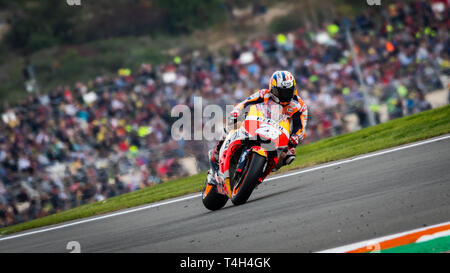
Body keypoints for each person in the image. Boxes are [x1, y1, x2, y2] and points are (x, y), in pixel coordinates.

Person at [209, 70, 308, 171]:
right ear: (273, 89)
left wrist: (295, 136)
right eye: (282, 92)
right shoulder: (264, 94)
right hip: (259, 123)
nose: (285, 96)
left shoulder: (299, 105)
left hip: (281, 134)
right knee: (234, 122)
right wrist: (237, 111)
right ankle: (218, 149)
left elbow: (301, 127)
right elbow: (245, 103)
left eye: (288, 92)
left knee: (289, 155)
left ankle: (262, 170)